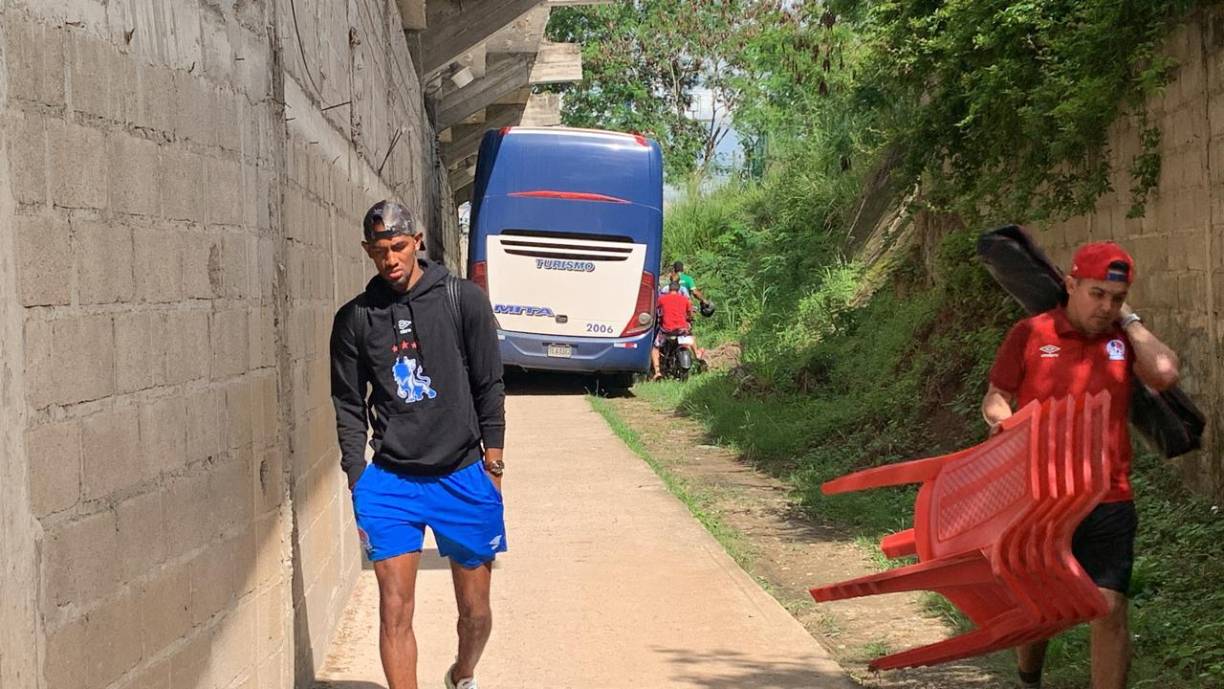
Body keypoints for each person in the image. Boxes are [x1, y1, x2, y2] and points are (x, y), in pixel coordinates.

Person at [981, 242, 1179, 689]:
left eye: (1117, 297)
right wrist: (1003, 423)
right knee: (1041, 603)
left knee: (1108, 607)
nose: (1106, 306)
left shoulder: (1122, 339)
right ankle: (1028, 677)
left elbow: (1165, 374)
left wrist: (1130, 321)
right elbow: (997, 396)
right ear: (1070, 285)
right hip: (1041, 496)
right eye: (1097, 294)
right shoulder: (1031, 334)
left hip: (1108, 495)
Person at [330, 201, 507, 689]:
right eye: (379, 250)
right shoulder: (355, 320)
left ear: (418, 241)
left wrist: (493, 463)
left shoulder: (462, 299)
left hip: (463, 473)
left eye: (398, 247)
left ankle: (463, 672)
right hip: (391, 482)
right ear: (368, 251)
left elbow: (490, 383)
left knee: (475, 613)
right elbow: (347, 401)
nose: (390, 260)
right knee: (394, 610)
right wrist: (356, 473)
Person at [651, 278, 697, 380]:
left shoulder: (662, 299)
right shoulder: (685, 299)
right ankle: (697, 356)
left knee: (655, 347)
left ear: (668, 290)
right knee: (691, 336)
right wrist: (690, 318)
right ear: (679, 289)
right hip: (682, 330)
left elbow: (655, 310)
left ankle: (657, 372)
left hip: (667, 331)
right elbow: (690, 314)